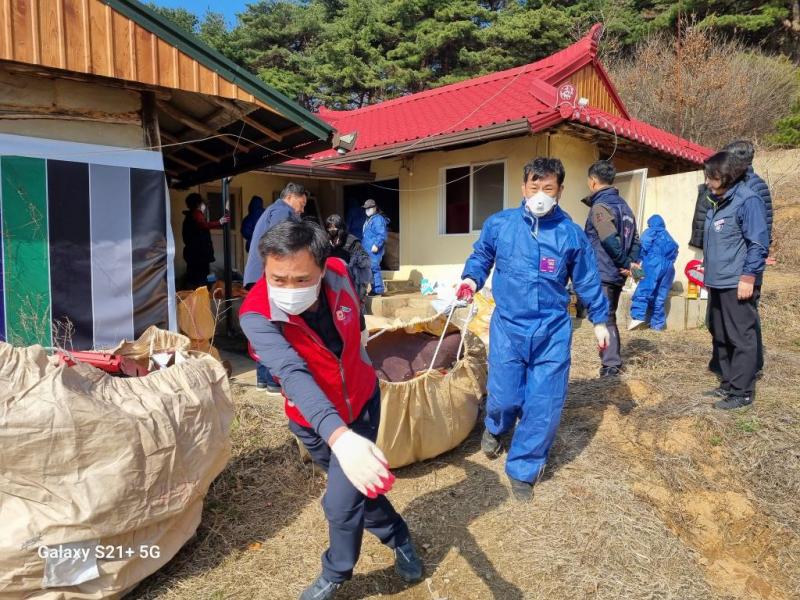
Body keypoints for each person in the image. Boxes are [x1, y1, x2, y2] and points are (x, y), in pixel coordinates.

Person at [239, 220, 422, 599]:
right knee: (358, 489)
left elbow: (353, 325)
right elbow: (292, 372)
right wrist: (340, 438)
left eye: (301, 279)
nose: (288, 289)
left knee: (340, 505)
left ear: (322, 267)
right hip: (313, 423)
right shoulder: (256, 315)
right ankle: (400, 536)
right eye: (278, 278)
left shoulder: (339, 274)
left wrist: (361, 351)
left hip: (363, 404)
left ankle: (336, 572)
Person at [456, 157, 610, 501]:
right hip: (509, 325)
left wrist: (600, 320)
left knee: (544, 402)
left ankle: (524, 468)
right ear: (523, 187)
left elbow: (586, 279)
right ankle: (496, 427)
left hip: (552, 331)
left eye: (548, 188)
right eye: (534, 187)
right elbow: (482, 256)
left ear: (560, 191)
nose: (540, 194)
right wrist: (470, 278)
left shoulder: (570, 234)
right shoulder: (501, 225)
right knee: (505, 393)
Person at [691, 140, 772, 376]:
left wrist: (749, 275)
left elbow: (757, 240)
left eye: (711, 176)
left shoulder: (749, 196)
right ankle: (727, 380)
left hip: (737, 276)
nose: (706, 182)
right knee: (720, 330)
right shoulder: (717, 197)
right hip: (719, 275)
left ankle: (742, 387)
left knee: (740, 333)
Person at [243, 183, 308, 392]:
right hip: (271, 277)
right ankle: (272, 381)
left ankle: (263, 379)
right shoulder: (282, 212)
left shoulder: (273, 210)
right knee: (277, 329)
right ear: (292, 197)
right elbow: (283, 247)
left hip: (262, 275)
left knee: (267, 327)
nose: (302, 210)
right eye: (302, 204)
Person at [582, 160, 641, 377]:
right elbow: (636, 240)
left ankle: (611, 364)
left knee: (605, 317)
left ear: (593, 181)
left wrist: (626, 263)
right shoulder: (625, 207)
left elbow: (608, 239)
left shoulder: (600, 207)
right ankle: (610, 360)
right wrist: (631, 263)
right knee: (609, 315)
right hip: (617, 272)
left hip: (605, 270)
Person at [628, 214, 679, 331]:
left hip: (653, 262)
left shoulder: (650, 231)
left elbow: (642, 245)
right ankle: (657, 325)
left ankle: (637, 317)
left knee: (644, 289)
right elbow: (675, 250)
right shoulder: (668, 236)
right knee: (660, 296)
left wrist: (636, 261)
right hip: (669, 267)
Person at [181, 192, 229, 289]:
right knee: (201, 277)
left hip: (192, 253)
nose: (205, 206)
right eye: (203, 204)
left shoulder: (189, 216)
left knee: (193, 275)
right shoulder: (196, 214)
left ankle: (193, 294)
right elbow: (203, 224)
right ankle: (201, 295)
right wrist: (219, 222)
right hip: (199, 255)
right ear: (199, 204)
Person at [326, 214, 372, 307]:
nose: (332, 231)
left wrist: (364, 286)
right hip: (331, 282)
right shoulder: (325, 242)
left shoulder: (352, 242)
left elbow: (363, 265)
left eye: (334, 228)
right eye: (329, 228)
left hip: (350, 282)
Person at [361, 199, 388, 296]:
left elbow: (381, 234)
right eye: (366, 208)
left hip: (374, 249)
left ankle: (378, 290)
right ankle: (374, 289)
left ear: (375, 208)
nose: (367, 210)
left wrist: (377, 245)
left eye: (369, 208)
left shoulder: (378, 219)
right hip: (368, 249)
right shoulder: (370, 219)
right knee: (371, 269)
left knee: (374, 268)